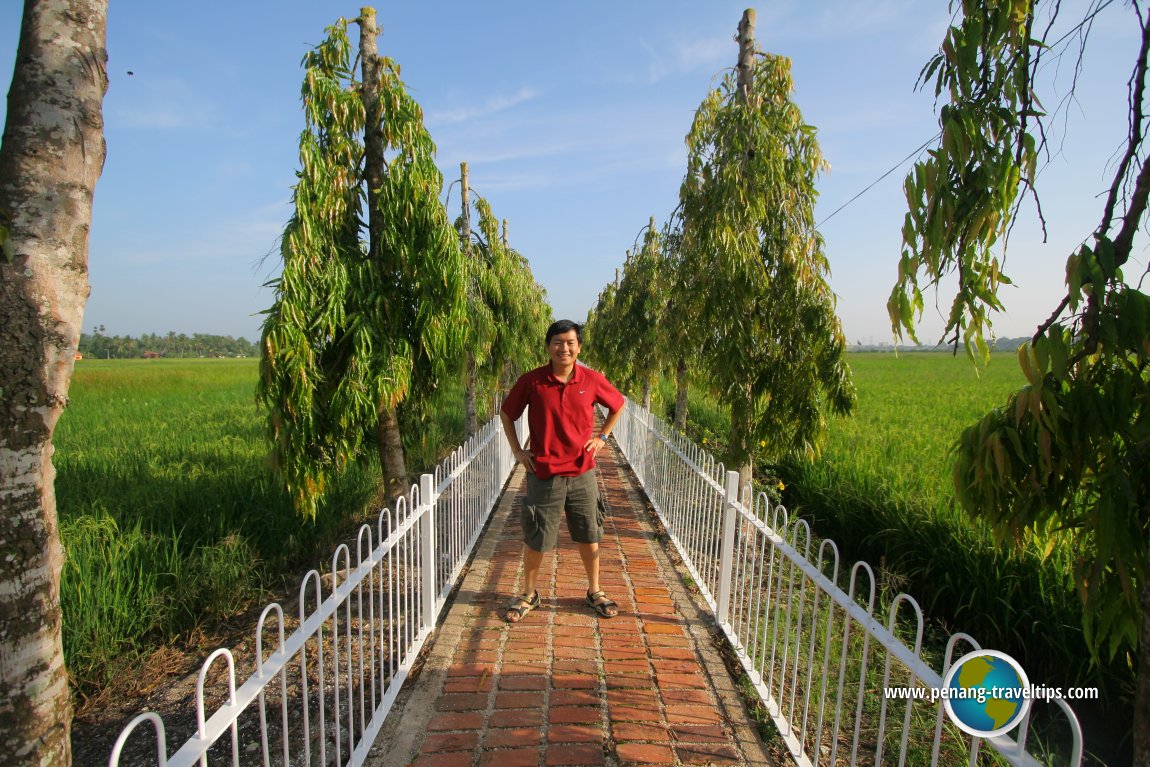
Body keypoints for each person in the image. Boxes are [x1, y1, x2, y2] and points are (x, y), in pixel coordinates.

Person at [498, 319, 626, 623]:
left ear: (579, 347)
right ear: (548, 346)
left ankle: (594, 590)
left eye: (570, 343)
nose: (564, 348)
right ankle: (529, 593)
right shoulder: (532, 381)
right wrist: (518, 450)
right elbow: (507, 413)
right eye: (558, 342)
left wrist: (602, 437)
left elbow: (617, 404)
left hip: (583, 472)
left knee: (589, 533)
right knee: (537, 537)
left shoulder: (592, 380)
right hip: (544, 473)